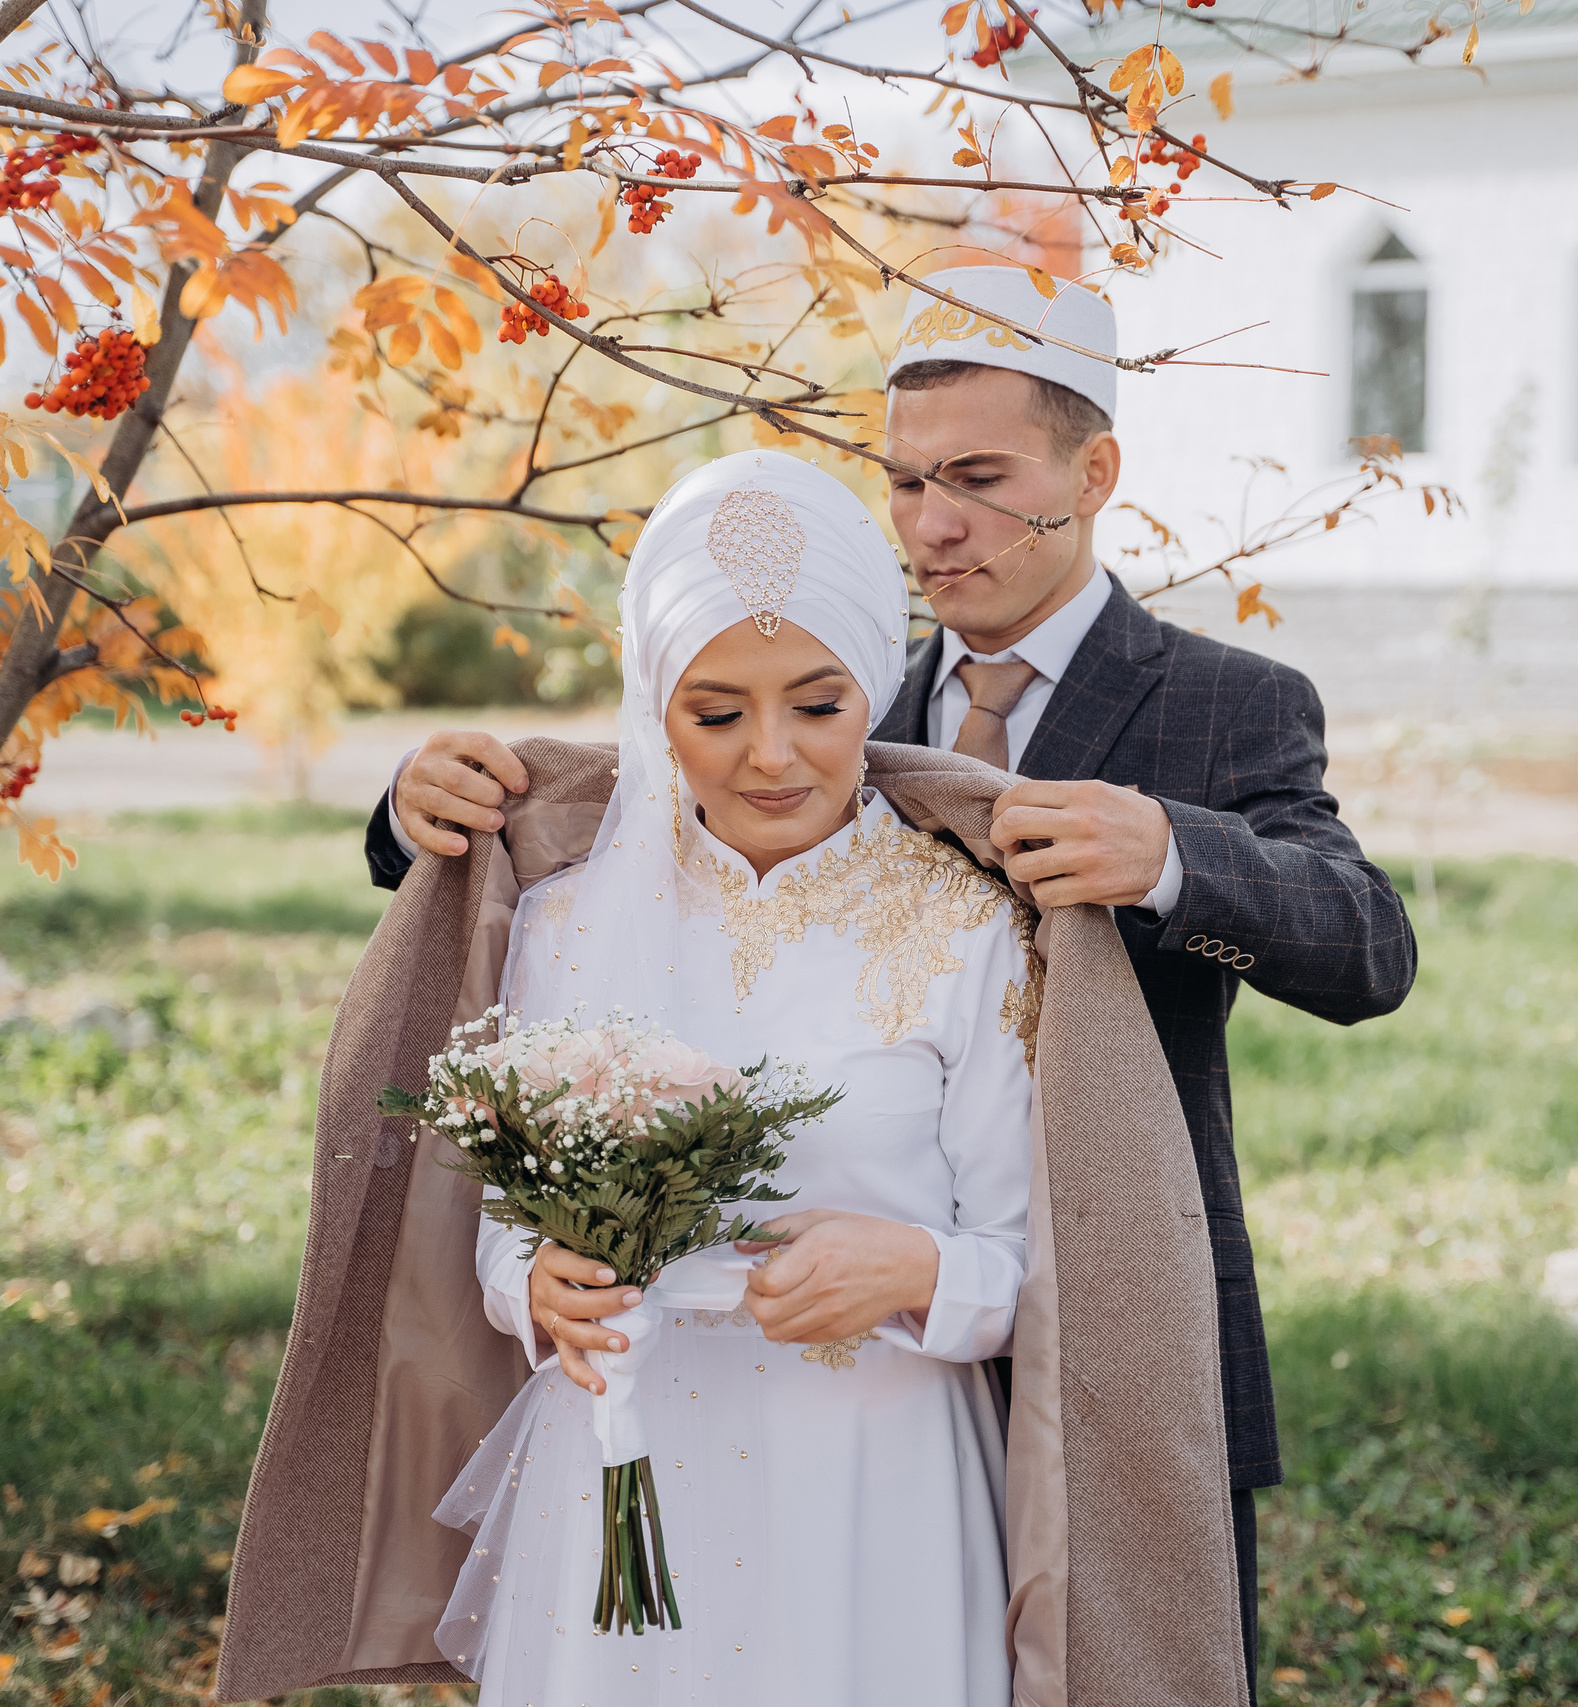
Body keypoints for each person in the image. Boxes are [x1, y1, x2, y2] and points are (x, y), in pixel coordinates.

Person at [361, 266, 1420, 1696]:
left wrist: (1174, 856)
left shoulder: (1226, 705)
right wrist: (407, 814)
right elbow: (609, 795)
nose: (932, 524)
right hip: (718, 1403)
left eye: (977, 480)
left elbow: (1369, 949)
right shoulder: (835, 665)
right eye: (908, 482)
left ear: (1092, 474)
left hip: (1100, 1333)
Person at [218, 447, 1247, 1707]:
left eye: (819, 706)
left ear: (873, 686)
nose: (771, 755)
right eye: (714, 715)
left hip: (875, 1485)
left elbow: (1044, 1264)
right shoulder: (561, 919)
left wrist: (915, 1270)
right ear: (653, 705)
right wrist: (531, 1285)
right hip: (619, 1463)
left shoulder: (970, 926)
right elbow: (497, 1211)